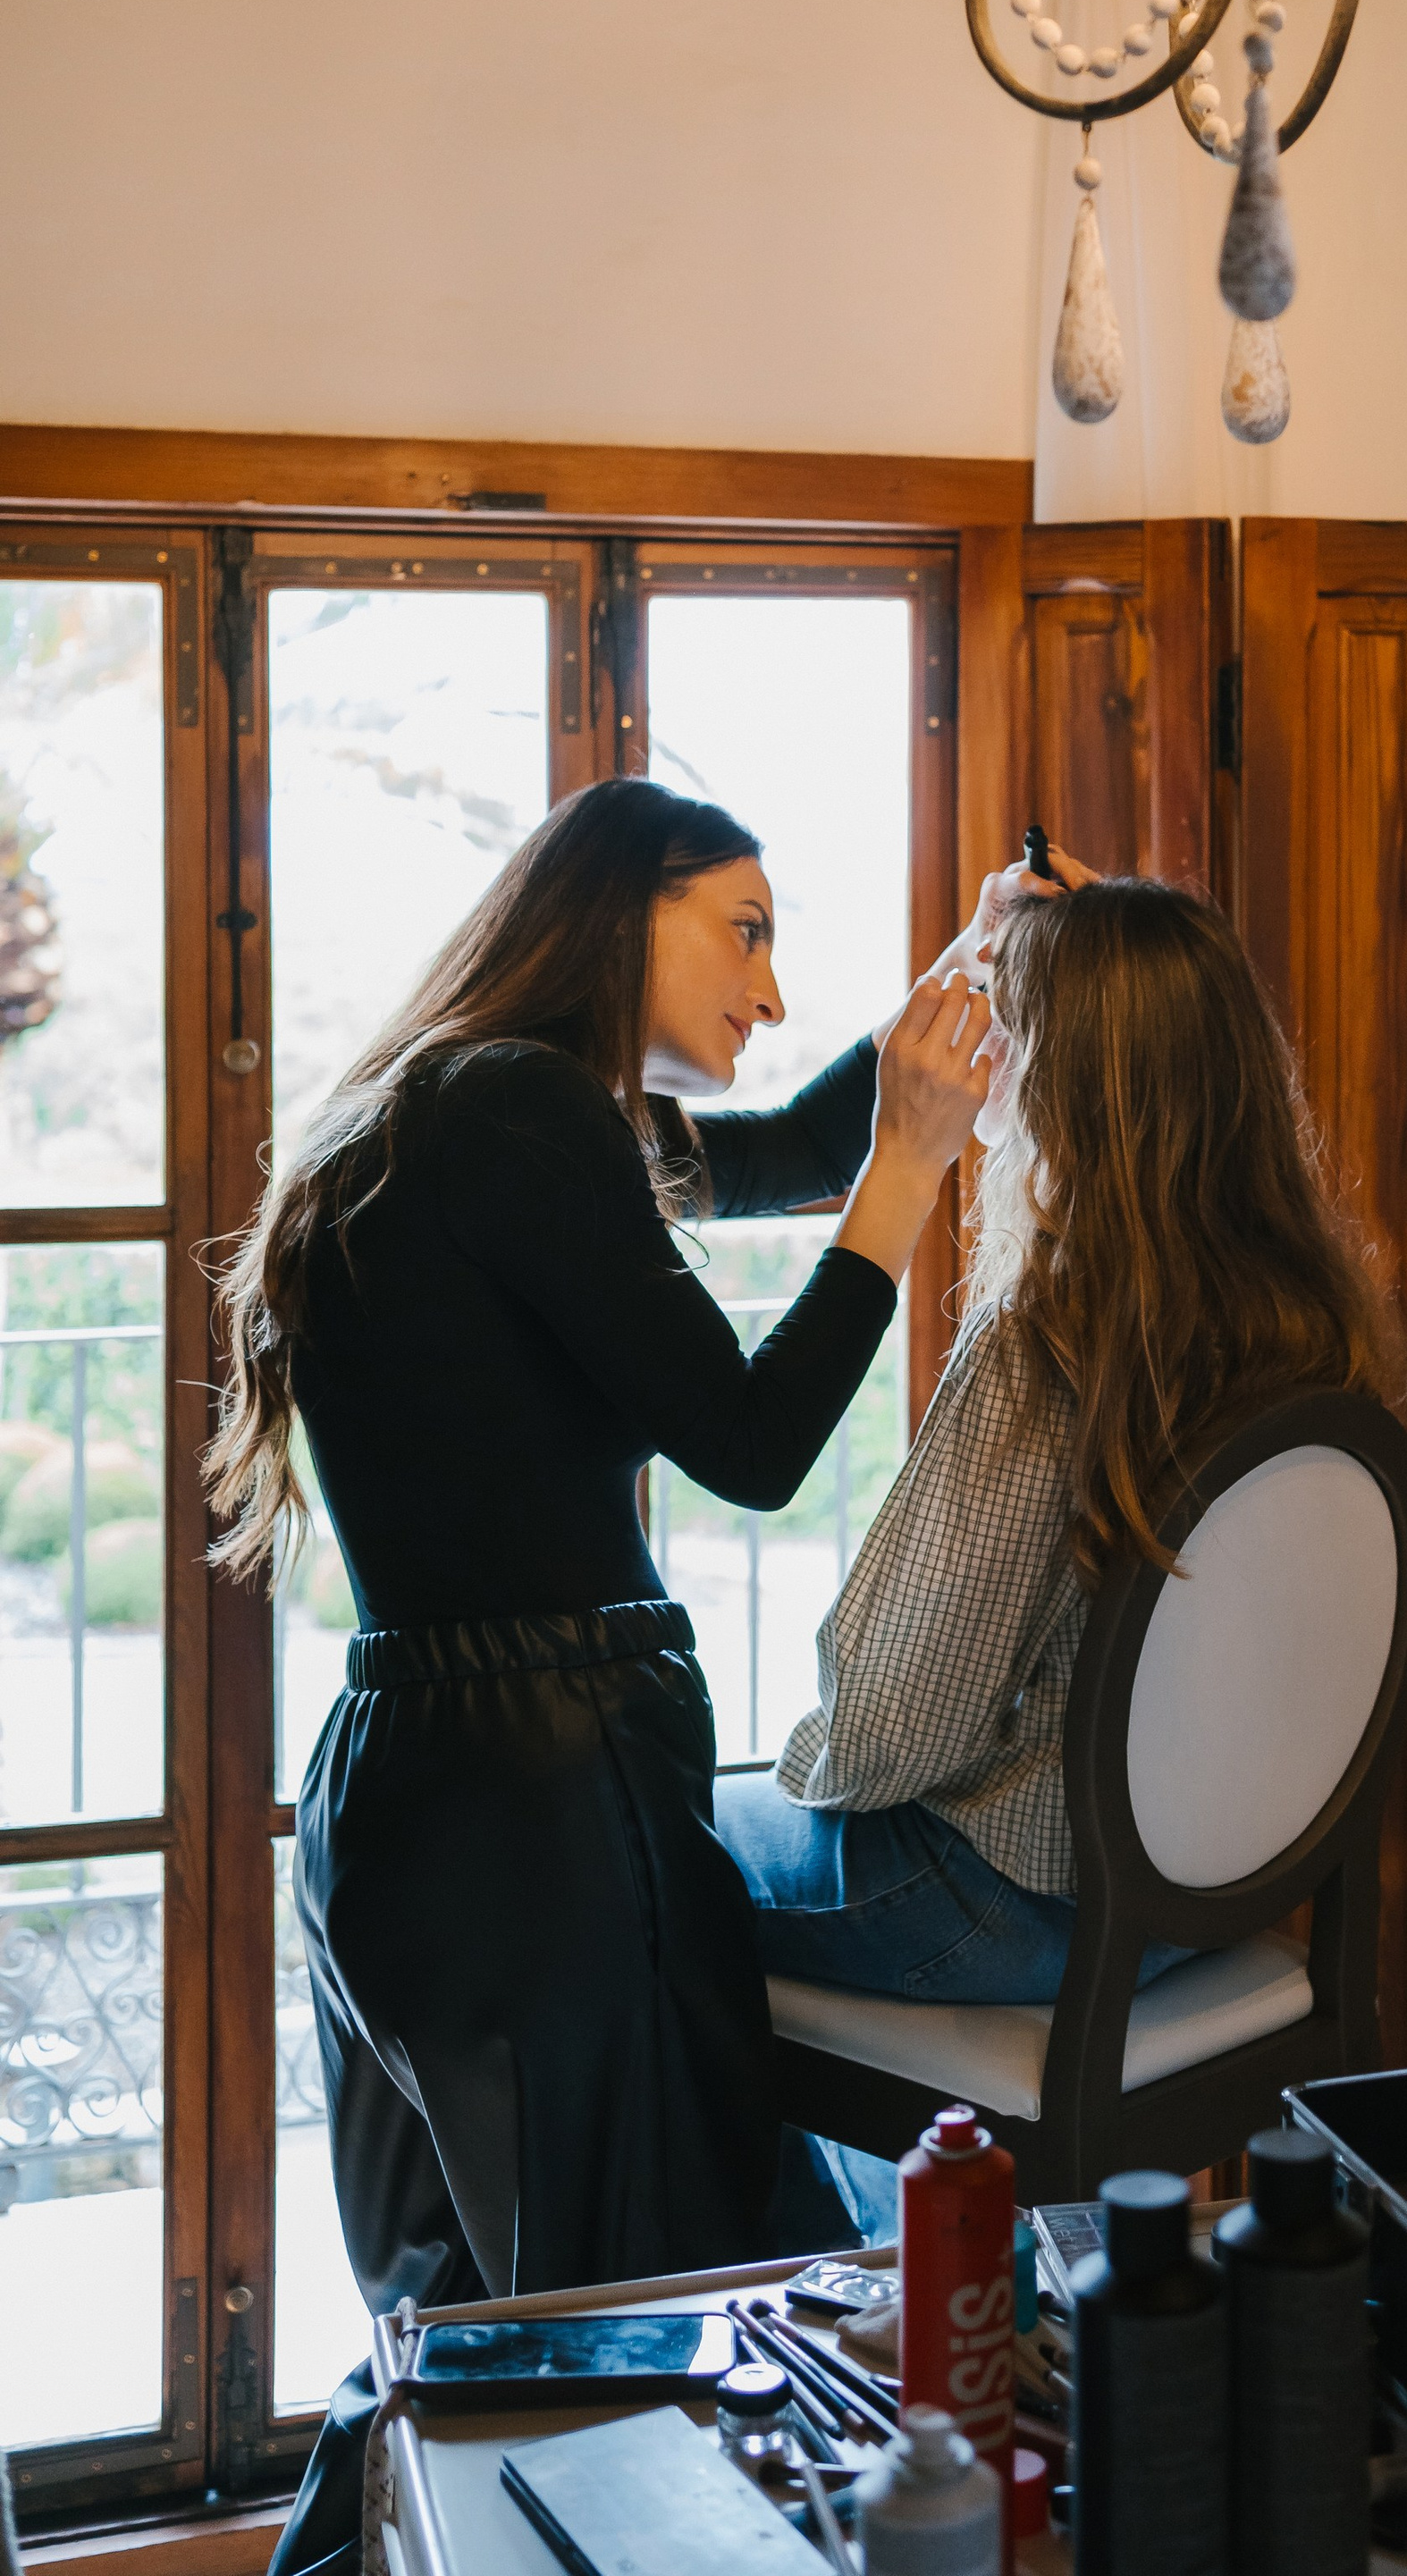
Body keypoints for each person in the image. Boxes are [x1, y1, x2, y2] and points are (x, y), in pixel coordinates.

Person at [209, 778, 1041, 2576]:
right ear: (618, 912)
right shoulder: (519, 1114)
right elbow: (749, 1438)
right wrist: (910, 1180)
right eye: (739, 931)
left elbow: (792, 1149)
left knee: (452, 2352)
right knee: (602, 2362)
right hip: (541, 1811)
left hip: (411, 1792)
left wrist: (975, 972)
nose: (765, 986)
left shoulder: (458, 1111)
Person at [714, 875, 1405, 2022]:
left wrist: (806, 1757)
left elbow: (886, 1734)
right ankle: (849, 2201)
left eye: (1000, 1022)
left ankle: (809, 2210)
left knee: (634, 1860)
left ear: (1058, 1079)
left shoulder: (1054, 1332)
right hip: (1214, 1900)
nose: (977, 1048)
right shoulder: (1308, 1321)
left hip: (1011, 1912)